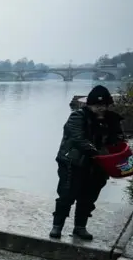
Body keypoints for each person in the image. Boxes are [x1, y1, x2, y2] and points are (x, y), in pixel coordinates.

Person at [50, 85, 126, 241]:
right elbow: (78, 138)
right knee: (66, 195)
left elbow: (118, 140)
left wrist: (117, 152)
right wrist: (97, 153)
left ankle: (80, 227)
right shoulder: (77, 117)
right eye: (97, 105)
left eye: (103, 105)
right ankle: (57, 226)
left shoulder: (112, 120)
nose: (100, 108)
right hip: (73, 163)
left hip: (98, 166)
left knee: (88, 197)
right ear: (89, 104)